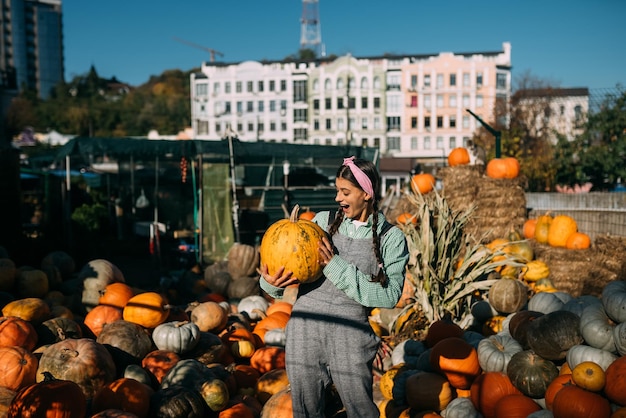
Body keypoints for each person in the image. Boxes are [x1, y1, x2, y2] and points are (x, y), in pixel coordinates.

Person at [260, 156, 409, 417]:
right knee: (306, 410)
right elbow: (288, 264)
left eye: (345, 192)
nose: (338, 198)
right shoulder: (321, 222)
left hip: (350, 336)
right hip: (305, 330)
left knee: (360, 409)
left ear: (366, 193)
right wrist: (270, 283)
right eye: (337, 191)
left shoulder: (391, 237)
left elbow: (389, 296)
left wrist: (334, 265)